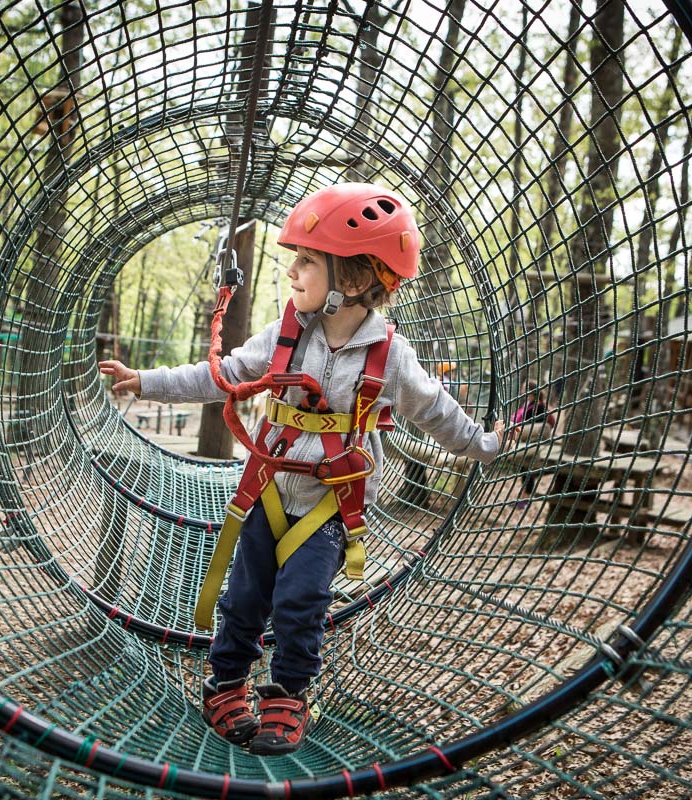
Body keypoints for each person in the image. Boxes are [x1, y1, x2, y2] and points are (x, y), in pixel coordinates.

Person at [98, 183, 504, 754]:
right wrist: (147, 381)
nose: (292, 270)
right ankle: (226, 684)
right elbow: (223, 375)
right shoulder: (286, 334)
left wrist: (485, 445)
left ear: (354, 280)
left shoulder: (391, 357)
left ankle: (288, 693)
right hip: (268, 492)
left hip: (330, 506)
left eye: (308, 260)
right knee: (244, 597)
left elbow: (437, 411)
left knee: (300, 601)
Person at [508, 381, 557, 508]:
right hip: (524, 442)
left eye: (524, 389)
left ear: (531, 392)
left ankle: (525, 500)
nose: (522, 391)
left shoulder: (539, 407)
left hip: (534, 444)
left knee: (528, 470)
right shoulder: (527, 404)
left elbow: (537, 426)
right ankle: (523, 497)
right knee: (524, 470)